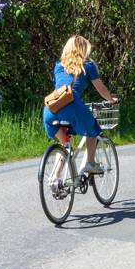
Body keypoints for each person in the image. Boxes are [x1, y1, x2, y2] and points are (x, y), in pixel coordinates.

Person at [43, 35, 117, 176]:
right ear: (84, 49)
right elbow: (101, 89)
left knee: (65, 144)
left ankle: (55, 178)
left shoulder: (58, 66)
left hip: (50, 109)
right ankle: (90, 163)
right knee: (92, 127)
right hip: (72, 106)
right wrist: (111, 99)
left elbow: (63, 87)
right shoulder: (88, 66)